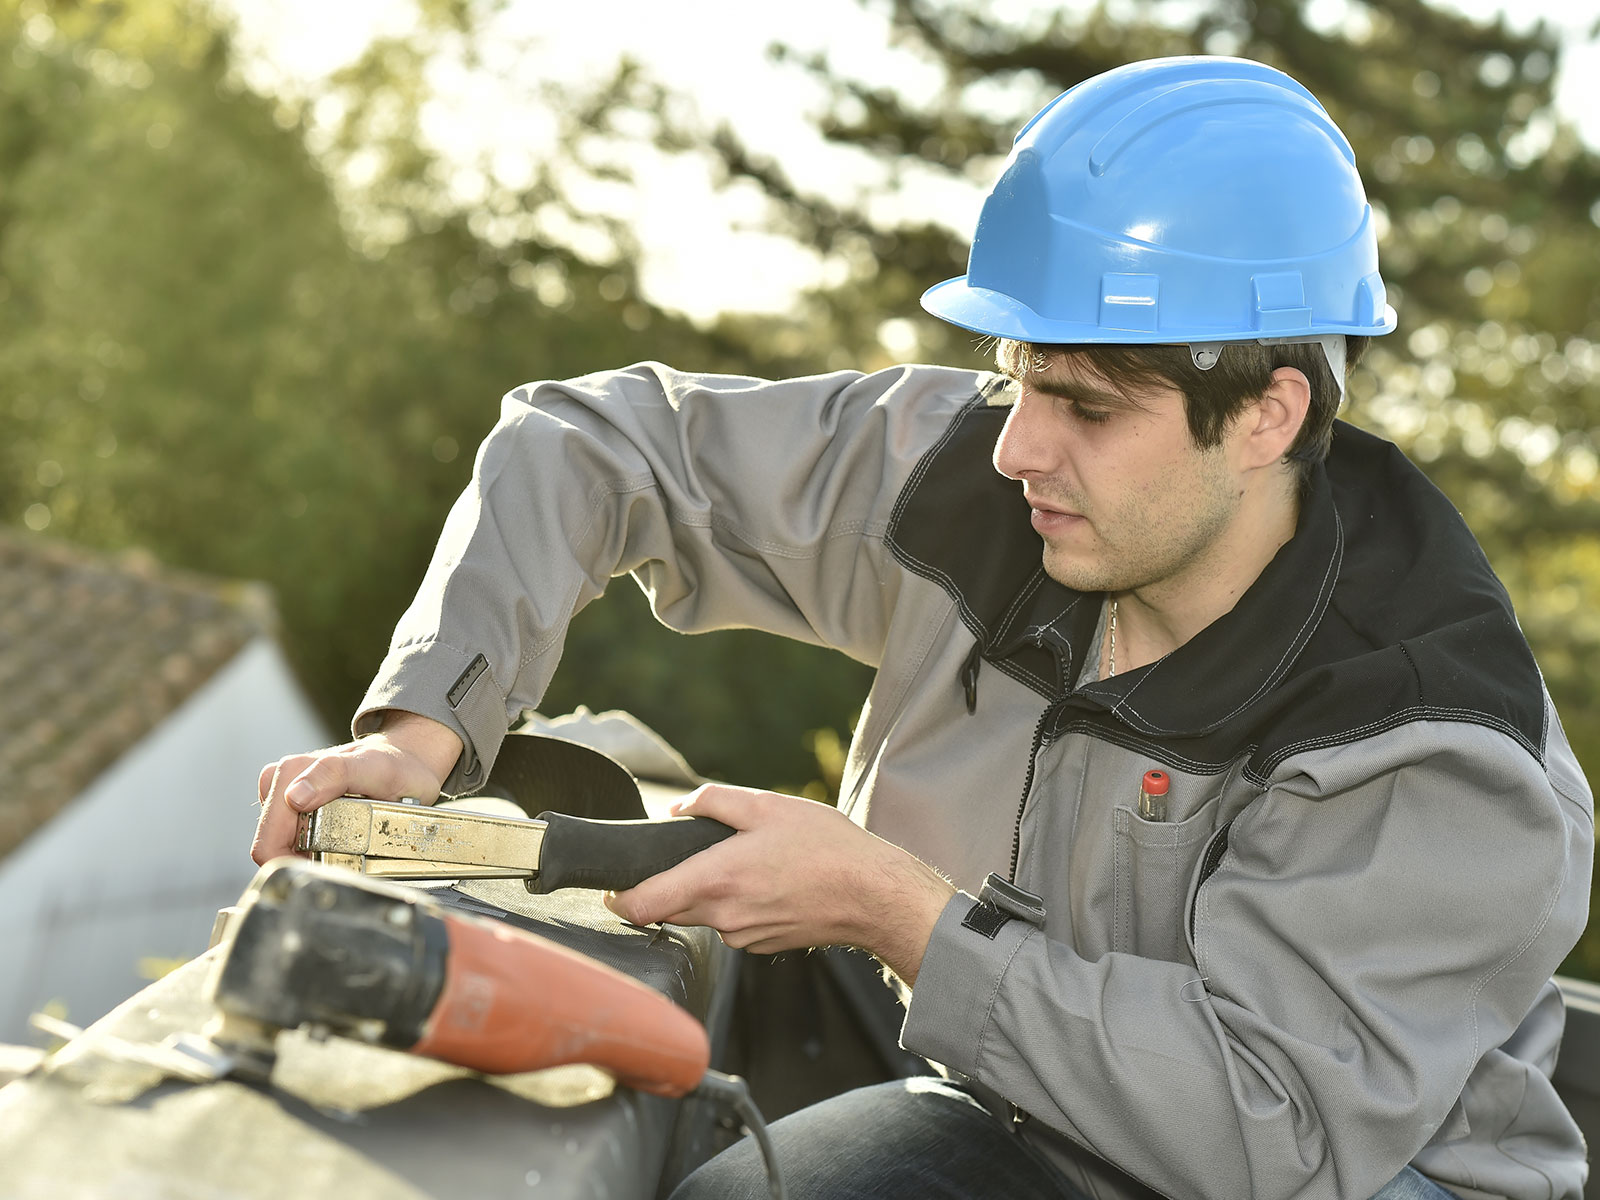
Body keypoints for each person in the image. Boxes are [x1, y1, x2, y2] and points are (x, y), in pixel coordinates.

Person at [253, 56, 1593, 1200]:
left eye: (1085, 405)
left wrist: (892, 911)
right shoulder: (989, 489)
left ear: (1267, 416)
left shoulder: (1434, 739)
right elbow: (594, 443)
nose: (1016, 448)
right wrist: (422, 733)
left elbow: (1266, 1123)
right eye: (1016, 381)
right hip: (1025, 1106)